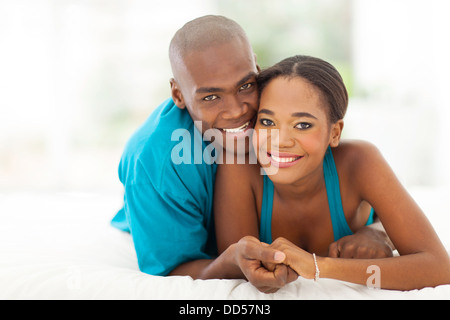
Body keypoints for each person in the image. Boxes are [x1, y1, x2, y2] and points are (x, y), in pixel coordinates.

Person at [111, 15, 393, 292]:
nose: (237, 111)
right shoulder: (156, 166)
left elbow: (364, 190)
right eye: (210, 97)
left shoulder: (273, 103)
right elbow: (174, 272)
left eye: (245, 85)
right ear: (178, 94)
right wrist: (230, 263)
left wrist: (377, 231)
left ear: (256, 68)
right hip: (163, 220)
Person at [214, 55, 450, 290]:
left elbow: (439, 268)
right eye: (267, 122)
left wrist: (318, 266)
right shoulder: (239, 167)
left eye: (303, 125)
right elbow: (237, 270)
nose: (280, 141)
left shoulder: (360, 161)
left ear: (335, 133)